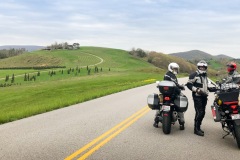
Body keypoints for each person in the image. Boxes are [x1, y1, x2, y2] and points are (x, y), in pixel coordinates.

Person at [186, 60, 216, 136]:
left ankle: (198, 127)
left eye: (203, 67)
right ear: (198, 67)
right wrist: (196, 90)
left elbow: (205, 86)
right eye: (201, 67)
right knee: (200, 112)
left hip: (204, 97)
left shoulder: (205, 76)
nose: (202, 68)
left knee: (203, 113)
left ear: (206, 68)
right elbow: (189, 84)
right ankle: (196, 129)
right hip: (197, 96)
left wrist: (213, 89)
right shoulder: (194, 75)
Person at [153, 62, 185, 130]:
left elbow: (175, 84)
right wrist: (179, 90)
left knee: (160, 106)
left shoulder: (171, 75)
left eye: (176, 69)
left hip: (166, 94)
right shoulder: (168, 75)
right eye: (174, 69)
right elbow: (173, 86)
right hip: (171, 94)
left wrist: (180, 86)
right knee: (178, 106)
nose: (175, 70)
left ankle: (156, 122)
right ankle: (182, 123)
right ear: (170, 68)